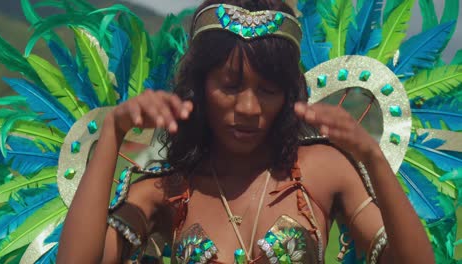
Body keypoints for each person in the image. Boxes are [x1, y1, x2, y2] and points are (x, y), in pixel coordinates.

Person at [56, 0, 434, 263]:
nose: (249, 109)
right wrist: (112, 133)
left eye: (268, 91)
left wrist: (372, 158)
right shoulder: (166, 189)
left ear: (288, 95)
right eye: (230, 87)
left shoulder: (324, 170)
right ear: (200, 88)